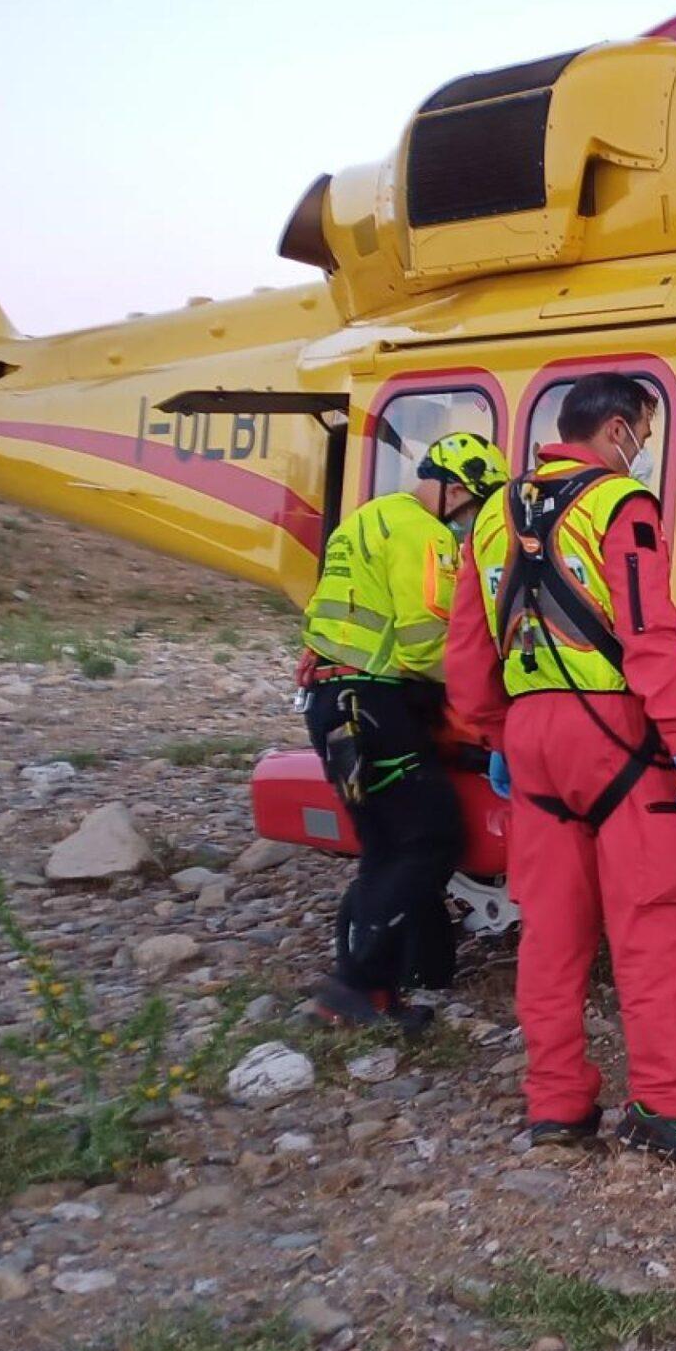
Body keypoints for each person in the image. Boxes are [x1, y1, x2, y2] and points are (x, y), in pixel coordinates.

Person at [445, 372, 676, 1166]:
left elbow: (469, 645)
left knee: (550, 930)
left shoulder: (490, 515)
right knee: (651, 924)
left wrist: (495, 735)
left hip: (532, 735)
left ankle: (556, 1106)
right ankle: (666, 1107)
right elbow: (648, 630)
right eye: (643, 435)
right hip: (617, 732)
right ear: (616, 430)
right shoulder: (622, 507)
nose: (644, 451)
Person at [299, 431, 508, 1029]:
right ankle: (353, 984)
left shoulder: (367, 520)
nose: (469, 526)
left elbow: (333, 615)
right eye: (471, 509)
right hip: (374, 705)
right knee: (430, 837)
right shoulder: (425, 535)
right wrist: (490, 687)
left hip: (333, 703)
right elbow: (425, 645)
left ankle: (377, 992)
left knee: (384, 846)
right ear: (452, 490)